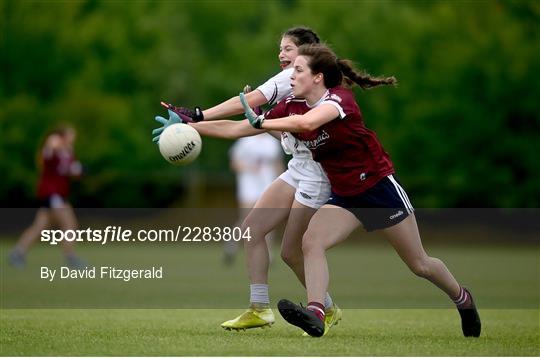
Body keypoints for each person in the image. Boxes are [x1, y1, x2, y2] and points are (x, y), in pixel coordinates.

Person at [240, 43, 482, 338]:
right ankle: (317, 313)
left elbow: (307, 122)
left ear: (318, 77)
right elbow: (246, 126)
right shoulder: (292, 106)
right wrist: (194, 123)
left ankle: (463, 299)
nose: (292, 74)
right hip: (345, 197)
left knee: (420, 264)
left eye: (298, 69)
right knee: (311, 243)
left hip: (379, 190)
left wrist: (263, 120)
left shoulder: (339, 99)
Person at [153, 27, 342, 335]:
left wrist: (197, 116)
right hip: (299, 168)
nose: (281, 54)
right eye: (279, 48)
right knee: (253, 230)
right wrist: (192, 127)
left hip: (318, 174)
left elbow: (252, 99)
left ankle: (324, 309)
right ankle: (260, 308)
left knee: (292, 251)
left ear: (309, 54)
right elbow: (241, 127)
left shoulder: (295, 80)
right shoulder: (292, 86)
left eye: (288, 48)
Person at [9, 126, 85, 269]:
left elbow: (72, 170)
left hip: (59, 194)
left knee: (40, 226)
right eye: (70, 135)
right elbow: (45, 160)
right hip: (52, 194)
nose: (72, 138)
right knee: (69, 224)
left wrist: (80, 171)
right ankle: (71, 257)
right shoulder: (51, 150)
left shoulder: (67, 152)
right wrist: (50, 146)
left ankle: (18, 252)